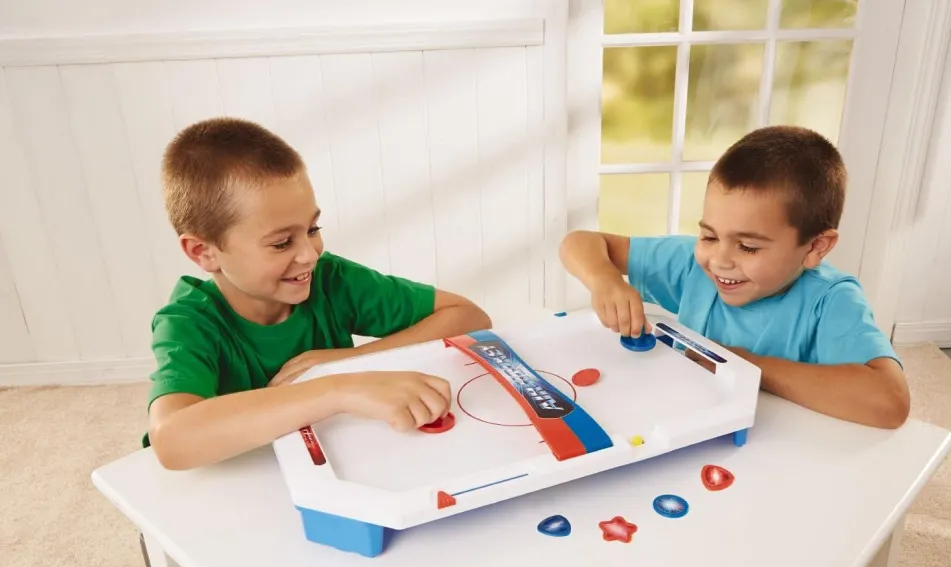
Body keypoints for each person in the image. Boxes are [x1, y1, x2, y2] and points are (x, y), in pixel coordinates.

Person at [145, 117, 492, 471]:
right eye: (281, 243)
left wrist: (348, 360)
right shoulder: (187, 324)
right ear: (203, 252)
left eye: (313, 228)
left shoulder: (331, 279)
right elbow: (172, 441)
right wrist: (334, 389)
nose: (310, 253)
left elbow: (469, 317)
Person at [559, 125, 910, 429]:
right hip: (693, 430)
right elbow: (580, 243)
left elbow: (890, 402)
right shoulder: (693, 265)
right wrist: (604, 278)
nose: (719, 260)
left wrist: (742, 364)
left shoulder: (831, 299)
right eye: (709, 236)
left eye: (748, 247)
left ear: (816, 246)